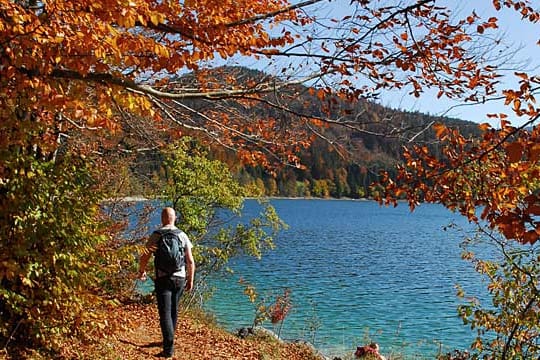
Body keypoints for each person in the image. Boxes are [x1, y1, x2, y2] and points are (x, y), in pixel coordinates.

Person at [138, 207, 195, 358]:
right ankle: (168, 339)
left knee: (165, 313)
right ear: (174, 218)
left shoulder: (157, 235)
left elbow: (144, 256)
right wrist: (190, 279)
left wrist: (142, 271)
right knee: (174, 310)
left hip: (162, 278)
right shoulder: (182, 235)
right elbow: (190, 261)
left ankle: (168, 349)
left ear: (162, 219)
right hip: (179, 278)